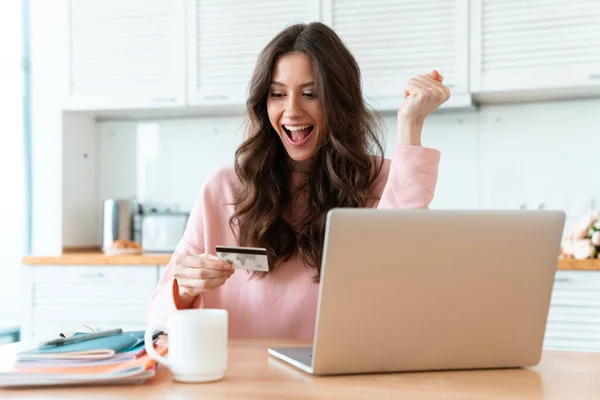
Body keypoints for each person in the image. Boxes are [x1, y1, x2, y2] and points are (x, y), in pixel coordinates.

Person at [147, 21, 450, 339]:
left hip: (339, 380)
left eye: (310, 94)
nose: (291, 110)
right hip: (244, 383)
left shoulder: (383, 181)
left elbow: (404, 277)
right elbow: (159, 320)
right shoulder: (223, 189)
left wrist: (411, 124)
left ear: (338, 102)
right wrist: (183, 289)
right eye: (277, 94)